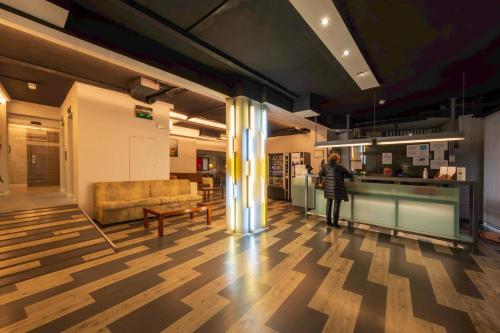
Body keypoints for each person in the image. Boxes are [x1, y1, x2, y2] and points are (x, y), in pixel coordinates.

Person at [319, 152, 353, 228]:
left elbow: (320, 173)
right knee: (336, 206)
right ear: (337, 159)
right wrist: (351, 172)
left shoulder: (325, 166)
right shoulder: (340, 167)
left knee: (328, 204)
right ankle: (335, 224)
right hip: (338, 189)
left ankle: (328, 222)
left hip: (328, 189)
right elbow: (349, 174)